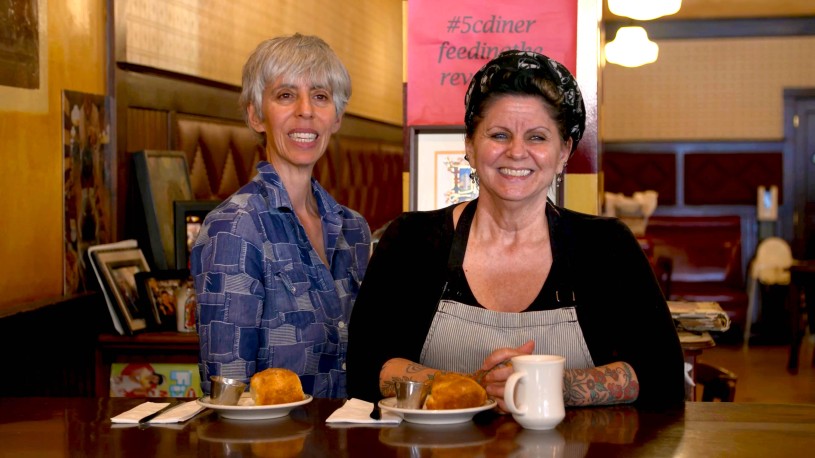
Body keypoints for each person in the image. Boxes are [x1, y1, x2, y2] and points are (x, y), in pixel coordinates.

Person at [346, 50, 685, 409]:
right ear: (470, 147)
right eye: (499, 135)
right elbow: (366, 368)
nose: (517, 152)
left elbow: (661, 372)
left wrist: (555, 385)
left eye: (538, 138)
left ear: (564, 152)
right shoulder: (411, 240)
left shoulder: (606, 245)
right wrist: (471, 388)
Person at [191, 34, 371, 399]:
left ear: (336, 117)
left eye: (320, 97)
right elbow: (228, 391)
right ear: (256, 115)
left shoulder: (354, 229)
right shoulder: (235, 228)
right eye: (286, 95)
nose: (306, 110)